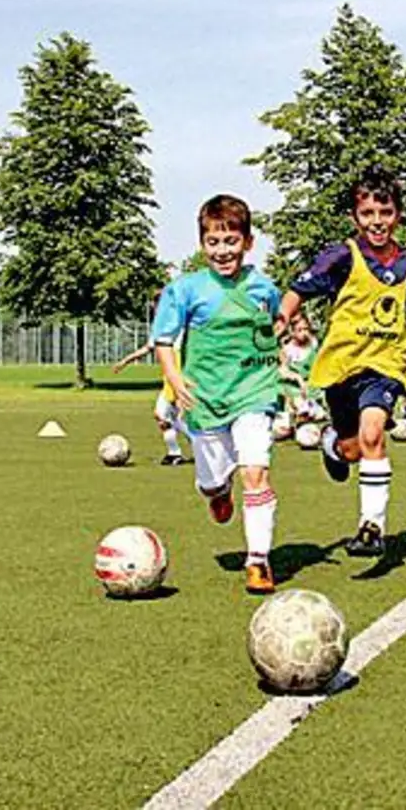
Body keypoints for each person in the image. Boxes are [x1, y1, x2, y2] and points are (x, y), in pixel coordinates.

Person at [276, 169, 406, 557]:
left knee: (374, 433)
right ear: (355, 218)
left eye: (385, 212)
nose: (377, 221)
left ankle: (371, 527)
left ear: (398, 215)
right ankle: (332, 446)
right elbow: (298, 290)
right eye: (368, 212)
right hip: (342, 366)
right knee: (354, 448)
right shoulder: (341, 257)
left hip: (386, 365)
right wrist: (281, 319)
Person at [153, 195, 285, 593]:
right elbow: (164, 339)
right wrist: (175, 380)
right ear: (202, 244)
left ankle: (258, 560)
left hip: (254, 392)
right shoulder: (185, 289)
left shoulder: (264, 287)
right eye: (213, 242)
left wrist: (274, 367)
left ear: (248, 242)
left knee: (255, 472)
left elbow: (274, 324)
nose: (222, 250)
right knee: (212, 482)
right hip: (204, 399)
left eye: (231, 241)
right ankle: (216, 491)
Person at [111, 338, 190, 466]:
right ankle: (174, 453)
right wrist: (124, 361)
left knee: (179, 419)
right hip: (168, 383)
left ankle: (199, 445)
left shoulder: (178, 331)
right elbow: (147, 348)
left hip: (178, 380)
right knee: (162, 417)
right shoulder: (163, 331)